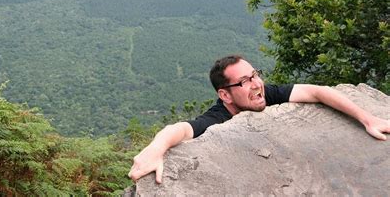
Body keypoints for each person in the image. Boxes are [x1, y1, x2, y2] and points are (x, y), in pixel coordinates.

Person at [128, 54, 390, 183]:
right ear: (225, 95)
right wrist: (156, 149)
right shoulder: (218, 119)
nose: (257, 84)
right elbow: (181, 129)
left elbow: (317, 91)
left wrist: (367, 119)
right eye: (245, 81)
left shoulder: (264, 95)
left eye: (255, 74)